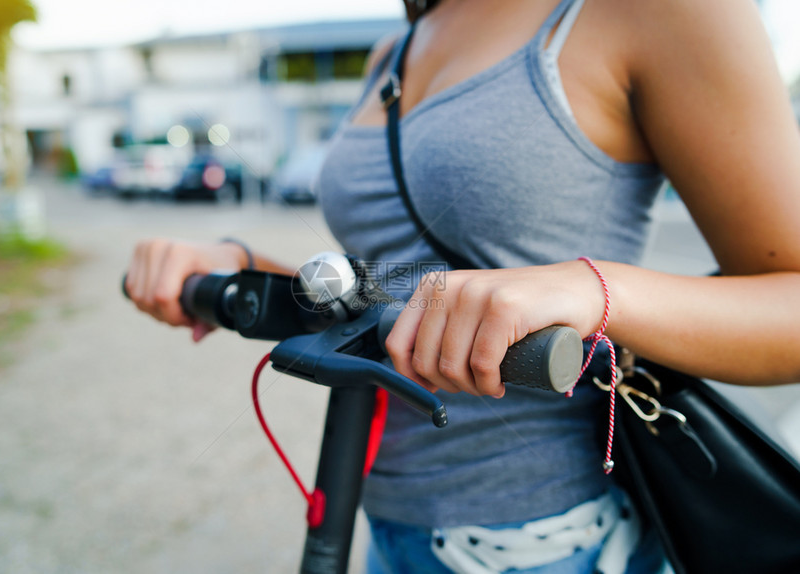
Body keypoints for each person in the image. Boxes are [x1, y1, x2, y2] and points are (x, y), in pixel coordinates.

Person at [124, 0, 800, 571]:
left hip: (550, 539)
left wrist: (591, 290)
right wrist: (235, 263)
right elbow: (385, 298)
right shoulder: (393, 51)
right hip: (387, 521)